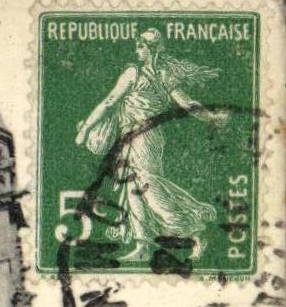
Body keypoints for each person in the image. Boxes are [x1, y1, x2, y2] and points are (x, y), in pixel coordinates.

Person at [75, 30, 223, 263]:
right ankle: (143, 244)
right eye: (137, 46)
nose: (137, 50)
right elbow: (111, 101)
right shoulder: (157, 74)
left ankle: (192, 229)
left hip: (144, 137)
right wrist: (211, 117)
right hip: (132, 136)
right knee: (134, 188)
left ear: (152, 48)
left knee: (147, 186)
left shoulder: (140, 74)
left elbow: (110, 102)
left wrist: (85, 130)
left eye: (141, 46)